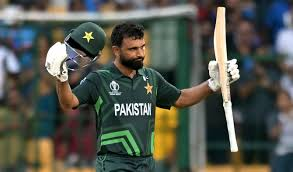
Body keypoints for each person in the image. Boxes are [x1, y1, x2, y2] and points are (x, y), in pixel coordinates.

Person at [45, 22, 240, 171]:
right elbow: (68, 103)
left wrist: (212, 84)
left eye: (143, 47)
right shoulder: (100, 79)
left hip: (146, 163)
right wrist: (61, 77)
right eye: (133, 49)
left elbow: (181, 98)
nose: (140, 54)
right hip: (114, 163)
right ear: (116, 51)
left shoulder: (151, 77)